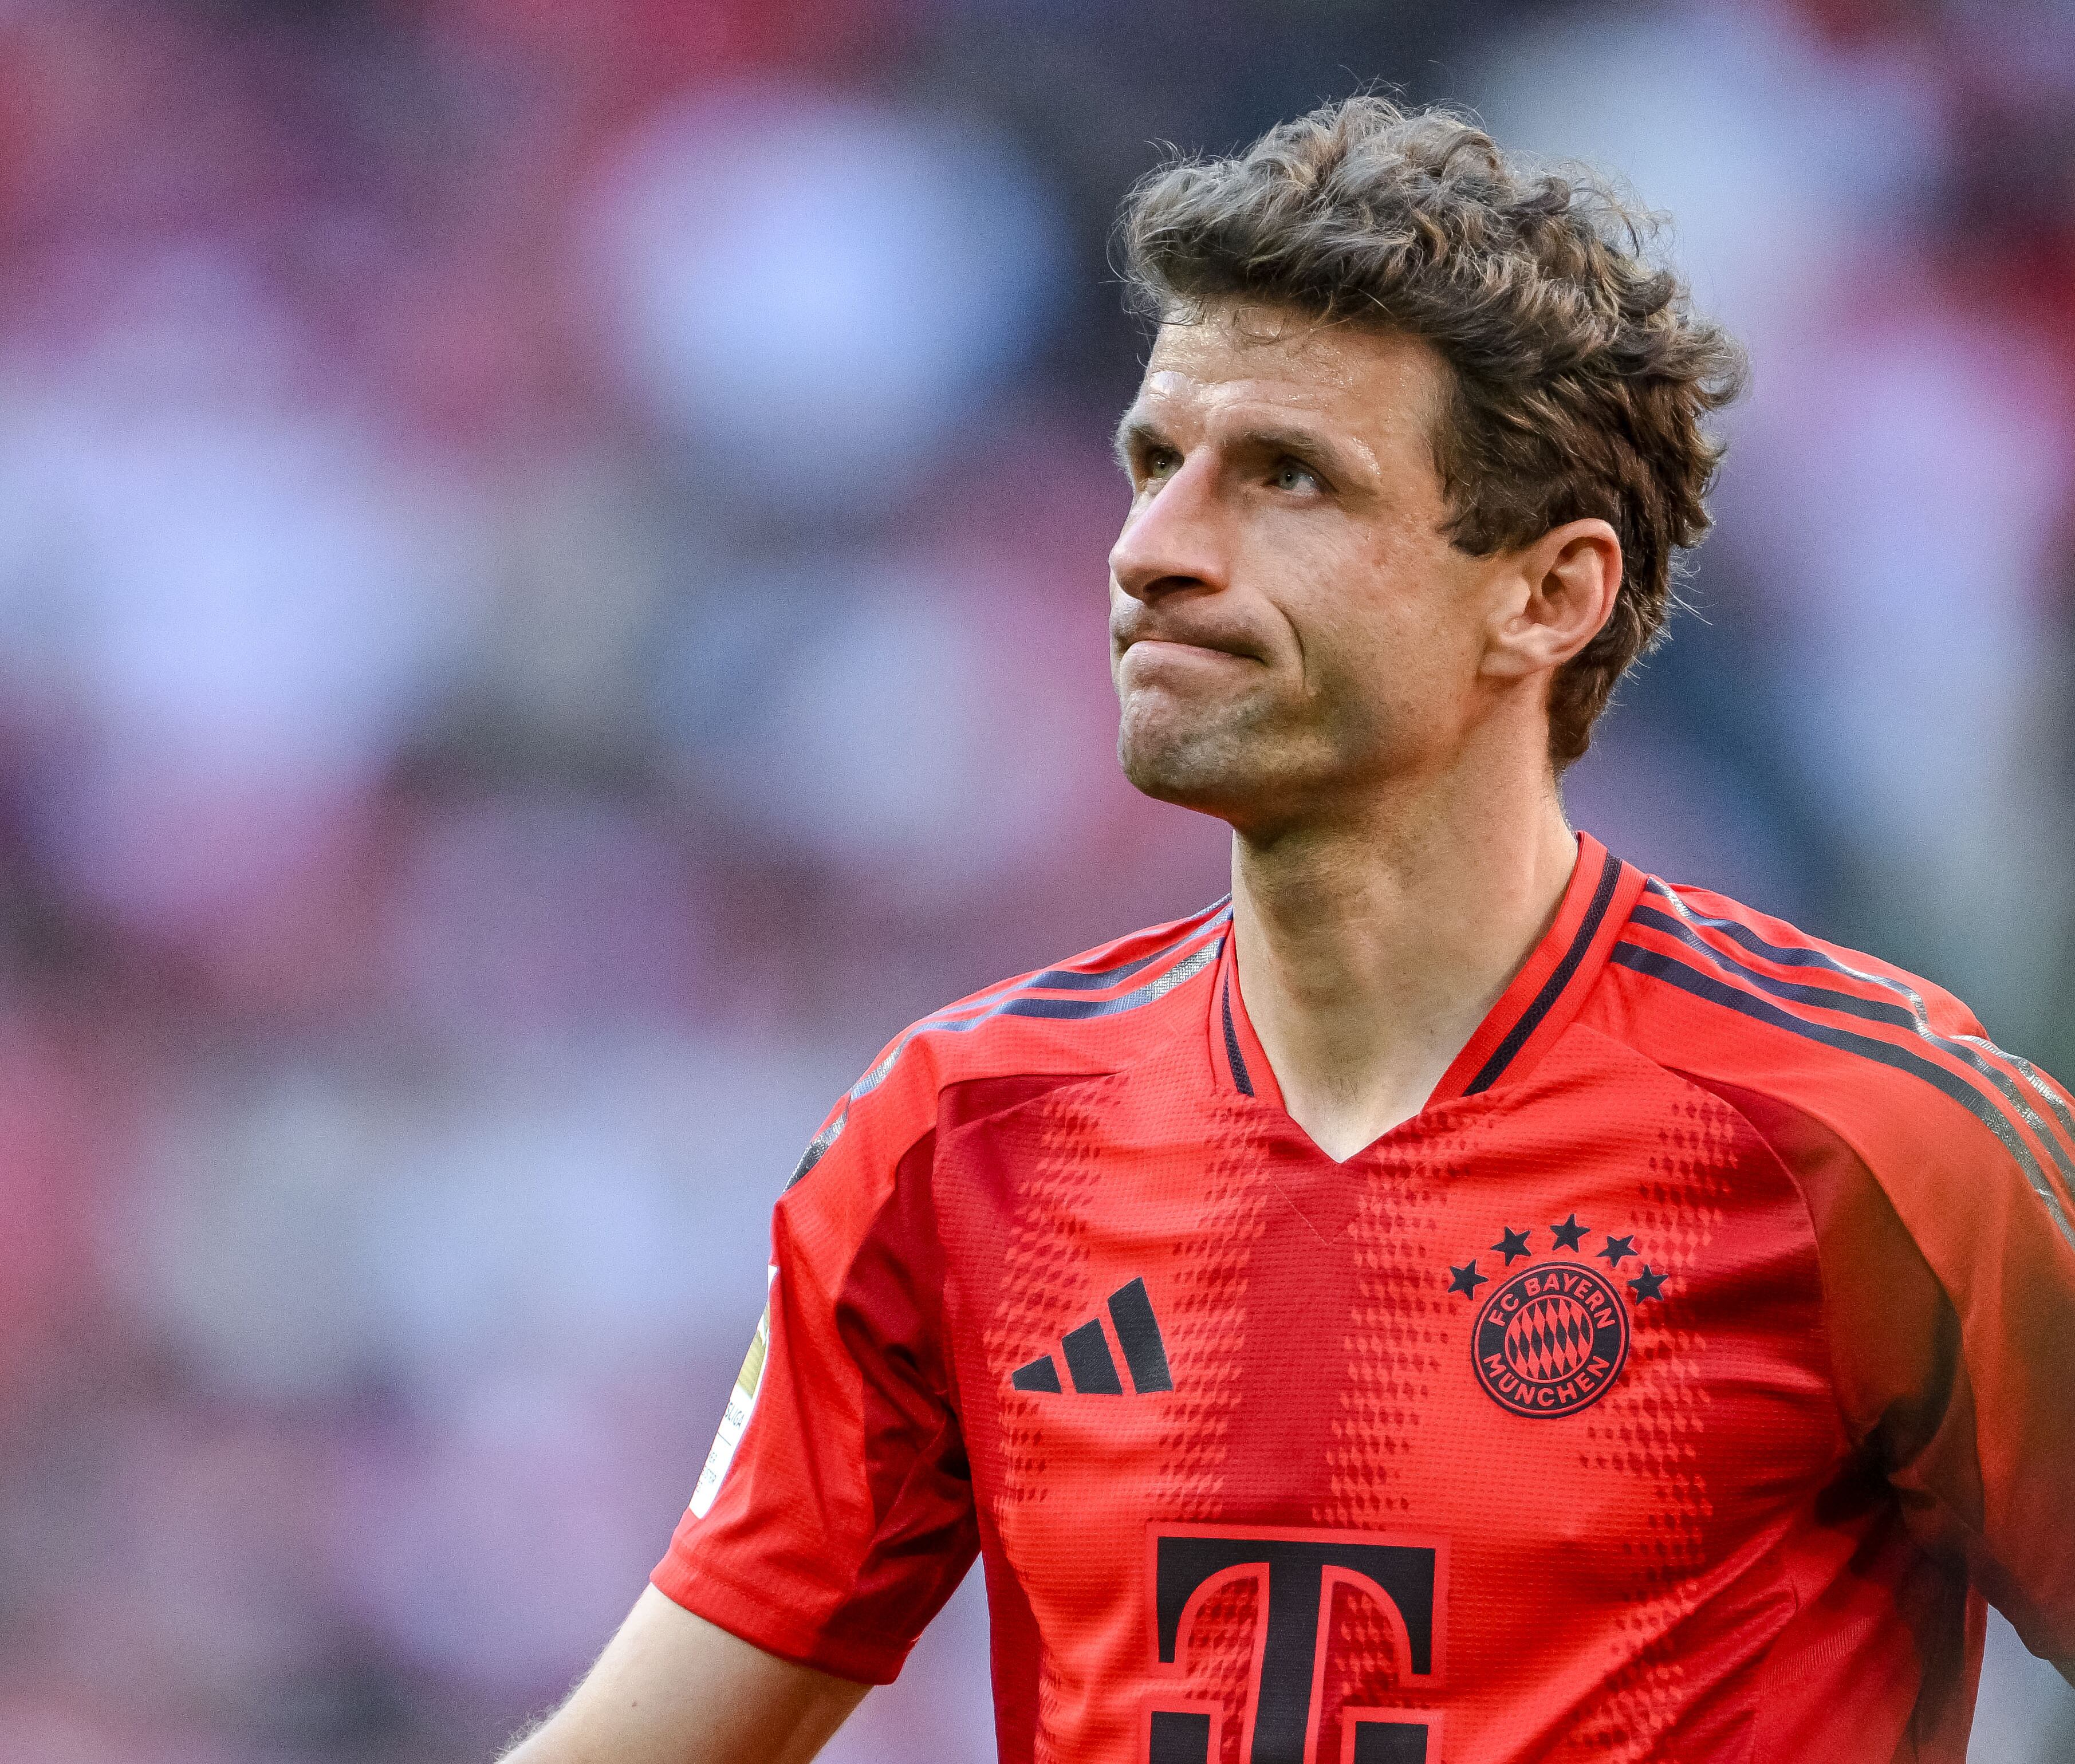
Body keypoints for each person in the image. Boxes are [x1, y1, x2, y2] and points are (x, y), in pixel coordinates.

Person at [500, 97, 2075, 1764]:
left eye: (1287, 480)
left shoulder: (1874, 1138)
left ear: (1548, 594)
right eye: (1155, 466)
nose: (1153, 554)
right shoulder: (959, 1135)